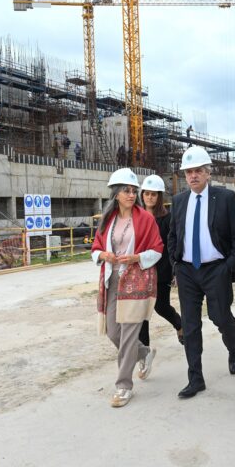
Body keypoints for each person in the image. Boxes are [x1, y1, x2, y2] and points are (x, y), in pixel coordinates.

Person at [167, 146, 235, 399]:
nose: (193, 176)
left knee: (220, 316)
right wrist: (176, 266)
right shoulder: (179, 201)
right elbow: (172, 237)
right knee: (190, 326)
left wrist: (228, 267)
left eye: (198, 171)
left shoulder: (224, 198)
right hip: (188, 271)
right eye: (188, 172)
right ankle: (195, 378)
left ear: (208, 173)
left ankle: (234, 347)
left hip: (216, 270)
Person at [91, 168, 163, 408]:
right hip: (113, 281)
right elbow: (94, 249)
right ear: (116, 194)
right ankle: (143, 353)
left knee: (130, 334)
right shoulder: (107, 221)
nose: (132, 195)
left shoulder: (146, 219)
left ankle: (124, 386)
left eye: (134, 191)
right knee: (113, 332)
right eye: (126, 191)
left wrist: (137, 258)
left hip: (136, 281)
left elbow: (157, 249)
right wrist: (104, 255)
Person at [139, 174, 184, 347]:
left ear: (159, 197)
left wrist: (174, 270)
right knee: (142, 312)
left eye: (154, 194)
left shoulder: (168, 218)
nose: (150, 197)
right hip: (142, 270)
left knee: (161, 307)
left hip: (162, 271)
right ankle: (144, 352)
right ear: (142, 195)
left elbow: (172, 245)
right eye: (147, 193)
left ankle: (180, 325)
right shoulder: (137, 217)